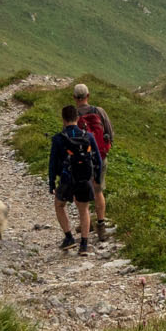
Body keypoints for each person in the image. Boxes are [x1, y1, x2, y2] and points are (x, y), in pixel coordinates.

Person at [48, 103, 103, 255]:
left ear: (63, 119)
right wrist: (96, 177)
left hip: (66, 179)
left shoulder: (58, 139)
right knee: (83, 209)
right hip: (85, 178)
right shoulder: (88, 136)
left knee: (59, 205)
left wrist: (52, 181)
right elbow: (97, 159)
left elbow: (52, 162)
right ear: (77, 118)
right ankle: (84, 245)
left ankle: (69, 237)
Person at [72, 83, 115, 234]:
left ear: (74, 98)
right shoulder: (99, 111)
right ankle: (101, 225)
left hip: (81, 161)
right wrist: (106, 149)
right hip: (100, 157)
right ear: (88, 96)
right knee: (98, 191)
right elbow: (109, 131)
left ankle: (86, 223)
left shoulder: (72, 115)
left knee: (82, 192)